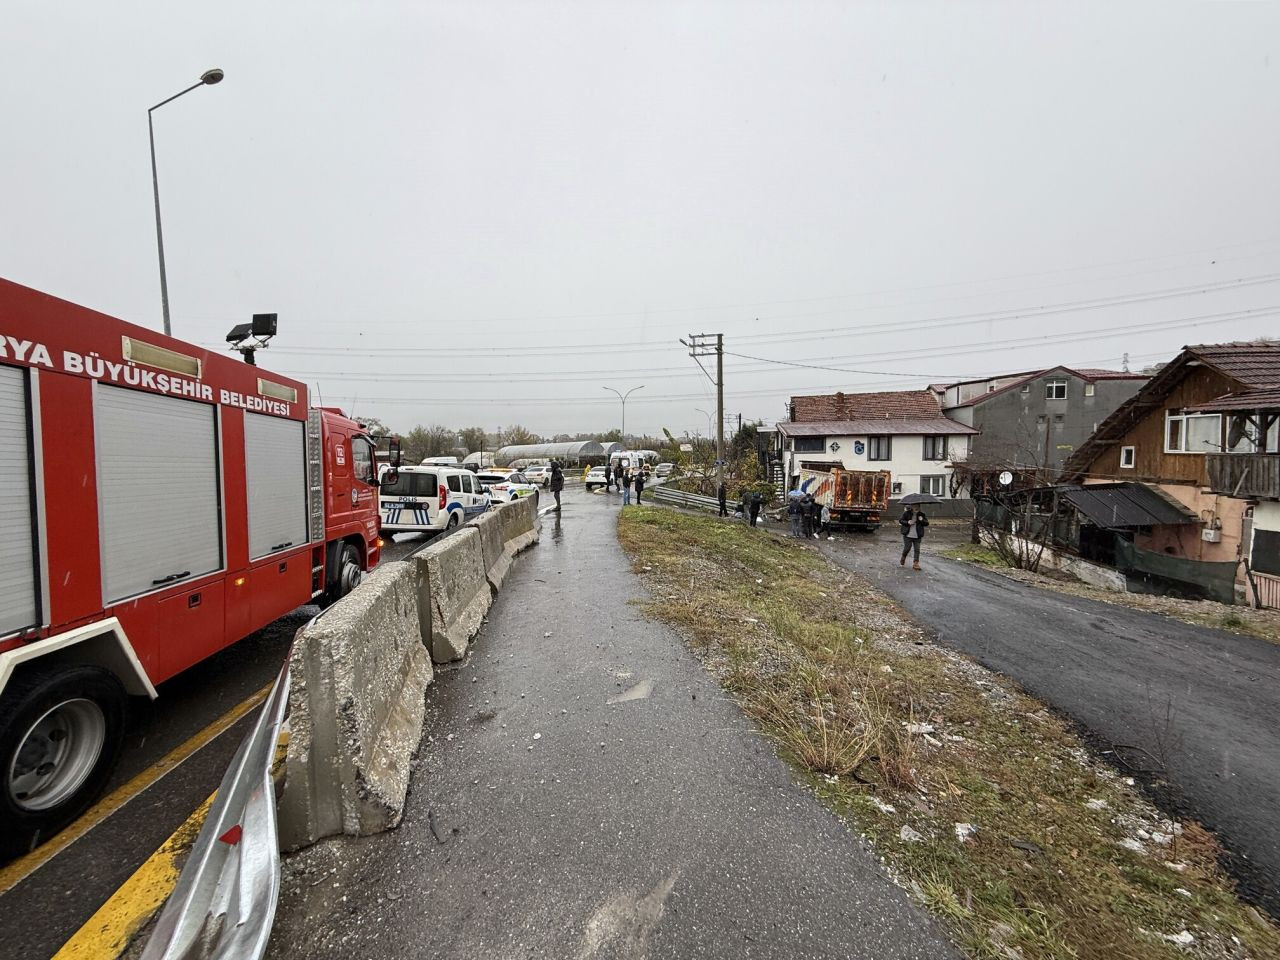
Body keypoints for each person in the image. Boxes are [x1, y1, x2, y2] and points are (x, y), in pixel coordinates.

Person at [899, 504, 929, 570]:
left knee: (917, 549)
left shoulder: (922, 514)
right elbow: (901, 520)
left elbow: (926, 523)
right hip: (908, 535)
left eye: (918, 506)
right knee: (907, 548)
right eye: (915, 506)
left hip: (917, 535)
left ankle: (916, 563)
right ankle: (903, 557)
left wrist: (921, 520)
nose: (916, 507)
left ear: (919, 507)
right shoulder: (906, 513)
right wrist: (907, 522)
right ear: (912, 507)